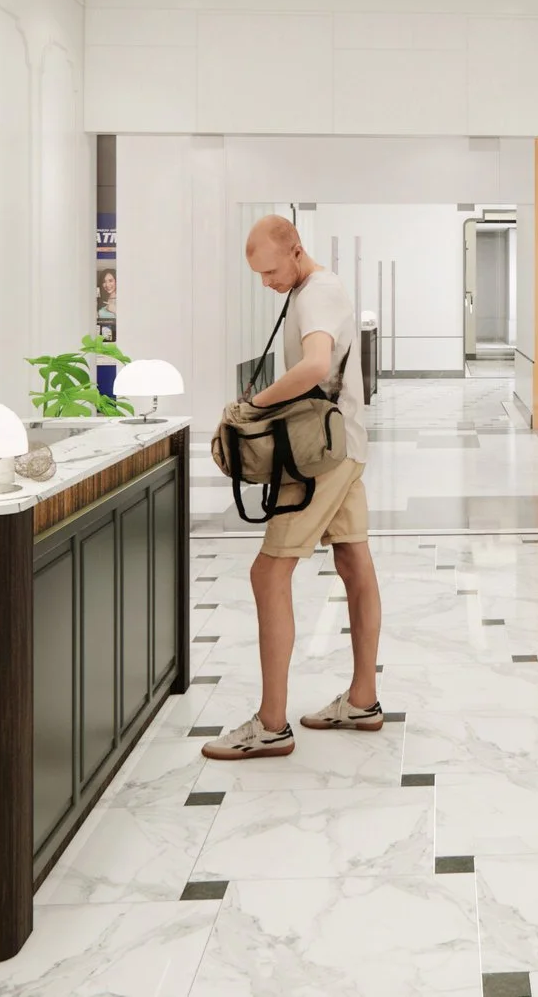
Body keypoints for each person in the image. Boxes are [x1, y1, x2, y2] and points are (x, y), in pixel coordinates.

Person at [202, 216, 384, 760]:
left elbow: (315, 365)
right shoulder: (312, 289)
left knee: (268, 571)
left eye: (270, 270)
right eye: (258, 274)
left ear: (295, 250)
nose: (266, 282)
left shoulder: (317, 293)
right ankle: (362, 700)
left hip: (320, 458)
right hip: (343, 445)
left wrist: (252, 406)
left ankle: (272, 724)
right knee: (353, 563)